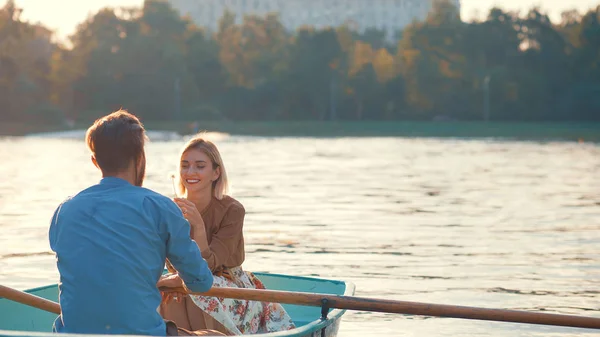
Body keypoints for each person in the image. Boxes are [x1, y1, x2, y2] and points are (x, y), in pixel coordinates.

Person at [48, 110, 224, 336]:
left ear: (95, 161)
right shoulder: (160, 207)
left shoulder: (64, 210)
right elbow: (201, 283)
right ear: (141, 158)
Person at [160, 135, 296, 335]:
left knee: (200, 285)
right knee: (165, 290)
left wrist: (197, 226)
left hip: (228, 284)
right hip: (184, 280)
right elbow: (170, 263)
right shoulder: (170, 210)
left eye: (199, 166)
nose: (190, 172)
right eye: (185, 165)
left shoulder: (232, 210)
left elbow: (207, 268)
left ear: (216, 173)